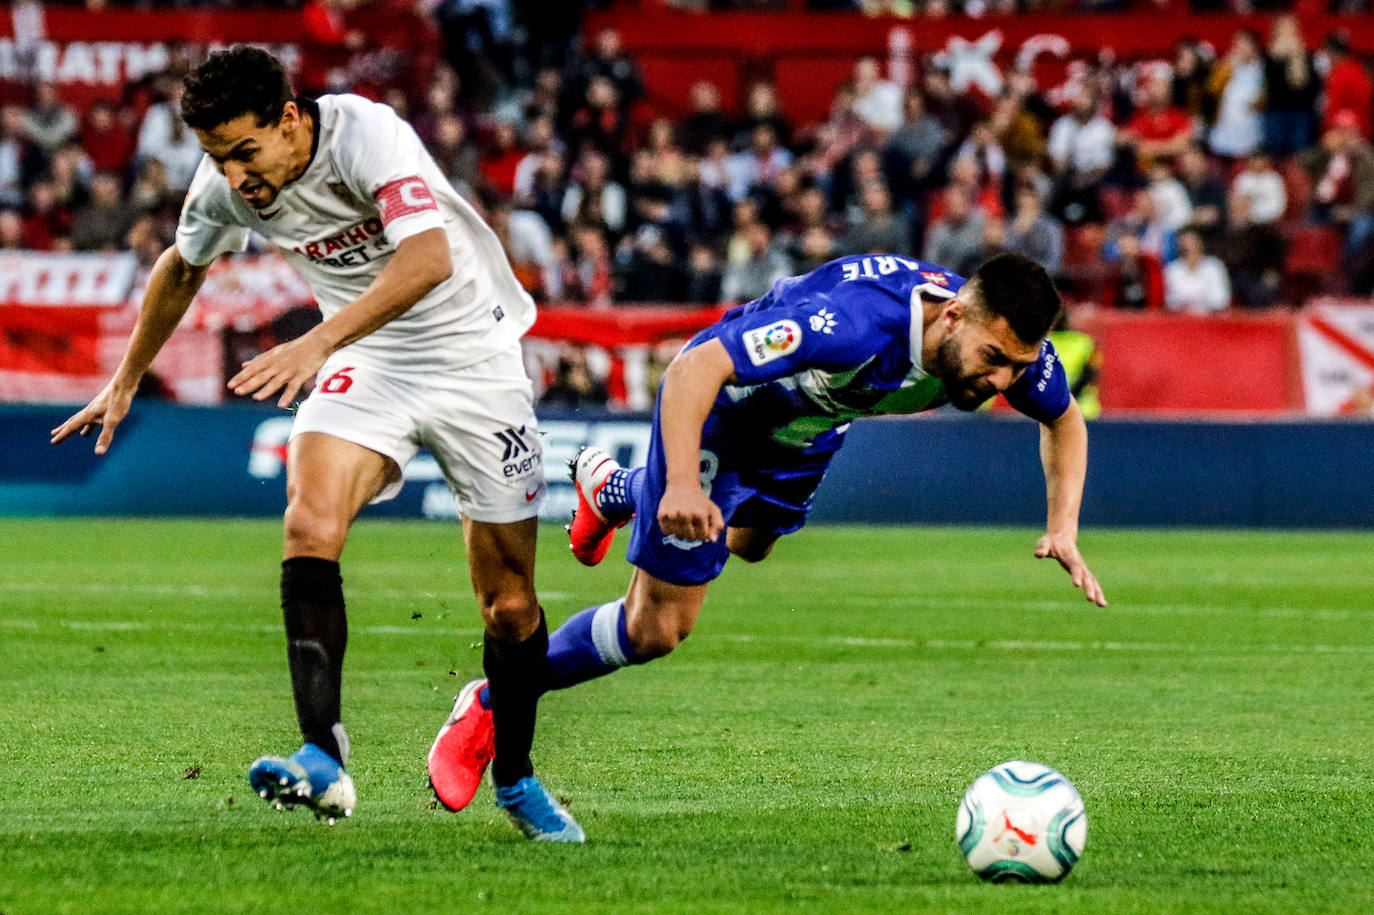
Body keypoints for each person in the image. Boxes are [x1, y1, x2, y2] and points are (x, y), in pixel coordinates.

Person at [48, 46, 581, 842]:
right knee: (309, 522)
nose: (233, 177)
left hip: (476, 362)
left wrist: (315, 341)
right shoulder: (228, 185)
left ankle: (514, 774)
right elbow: (182, 266)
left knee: (508, 608)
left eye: (244, 152)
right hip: (372, 363)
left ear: (290, 120)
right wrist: (126, 380)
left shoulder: (365, 133)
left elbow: (428, 258)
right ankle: (323, 758)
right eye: (215, 158)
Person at [429, 252, 1108, 823]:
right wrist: (684, 488)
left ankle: (611, 490)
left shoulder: (1002, 341)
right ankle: (493, 699)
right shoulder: (850, 326)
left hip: (808, 430)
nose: (1000, 382)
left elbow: (1066, 421)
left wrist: (1063, 527)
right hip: (724, 413)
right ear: (954, 314)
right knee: (658, 631)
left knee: (751, 544)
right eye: (994, 360)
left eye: (1016, 367)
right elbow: (695, 370)